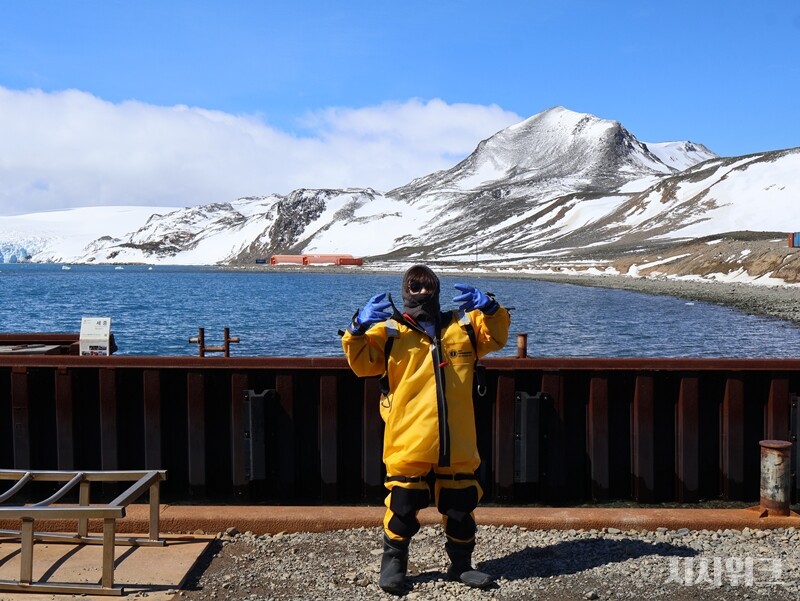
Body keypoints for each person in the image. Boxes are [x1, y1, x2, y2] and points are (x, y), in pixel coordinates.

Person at [341, 264, 510, 595]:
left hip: (457, 441)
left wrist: (491, 307)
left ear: (437, 290)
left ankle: (461, 565)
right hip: (409, 439)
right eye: (414, 287)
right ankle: (393, 564)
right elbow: (361, 363)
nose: (422, 292)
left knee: (461, 505)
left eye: (428, 286)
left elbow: (497, 335)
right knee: (403, 505)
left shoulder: (463, 327)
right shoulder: (390, 332)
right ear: (405, 291)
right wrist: (357, 327)